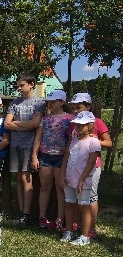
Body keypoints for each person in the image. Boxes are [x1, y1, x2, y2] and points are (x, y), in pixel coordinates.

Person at [66, 93, 112, 239]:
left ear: (88, 106)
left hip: (92, 166)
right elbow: (71, 143)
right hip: (75, 165)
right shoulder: (74, 124)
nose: (75, 110)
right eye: (73, 108)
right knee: (75, 197)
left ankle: (90, 228)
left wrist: (95, 141)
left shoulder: (97, 122)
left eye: (78, 107)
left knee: (90, 197)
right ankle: (76, 224)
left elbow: (109, 143)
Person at [4, 72, 46, 225]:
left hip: (29, 145)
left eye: (22, 85)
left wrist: (17, 124)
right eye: (18, 86)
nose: (19, 89)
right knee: (18, 178)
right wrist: (25, 125)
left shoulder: (39, 102)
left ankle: (27, 213)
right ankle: (21, 211)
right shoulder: (15, 102)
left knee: (26, 178)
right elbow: (7, 124)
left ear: (31, 84)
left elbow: (35, 124)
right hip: (15, 144)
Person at [31, 90, 74, 229]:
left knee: (60, 189)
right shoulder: (45, 119)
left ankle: (60, 219)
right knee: (45, 187)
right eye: (48, 102)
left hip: (62, 157)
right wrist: (34, 156)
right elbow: (38, 137)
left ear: (62, 102)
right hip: (45, 156)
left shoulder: (70, 119)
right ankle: (42, 217)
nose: (50, 104)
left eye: (53, 102)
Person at [60, 111, 100, 246]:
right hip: (69, 179)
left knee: (84, 207)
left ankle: (85, 235)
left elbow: (91, 162)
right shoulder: (74, 140)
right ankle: (69, 231)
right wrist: (62, 174)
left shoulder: (93, 142)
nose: (77, 127)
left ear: (90, 125)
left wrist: (82, 179)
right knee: (69, 204)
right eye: (76, 124)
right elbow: (67, 157)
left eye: (81, 125)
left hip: (83, 181)